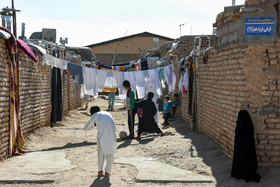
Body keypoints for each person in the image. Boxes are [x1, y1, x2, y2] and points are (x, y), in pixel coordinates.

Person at [84, 106, 117, 177]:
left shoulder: (96, 115)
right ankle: (108, 172)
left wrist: (94, 124)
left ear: (92, 113)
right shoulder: (107, 113)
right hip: (112, 134)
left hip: (102, 135)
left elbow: (86, 128)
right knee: (110, 153)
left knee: (101, 154)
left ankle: (100, 171)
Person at [231, 110, 261, 183]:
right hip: (249, 149)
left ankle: (240, 173)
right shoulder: (249, 125)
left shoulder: (239, 125)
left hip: (240, 149)